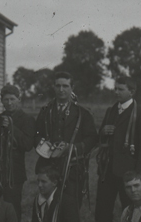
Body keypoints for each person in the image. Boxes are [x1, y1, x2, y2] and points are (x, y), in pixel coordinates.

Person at [93, 76, 141, 222]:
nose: (116, 92)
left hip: (129, 172)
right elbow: (100, 138)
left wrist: (140, 174)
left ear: (132, 91)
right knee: (102, 209)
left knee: (131, 209)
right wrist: (103, 131)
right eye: (115, 89)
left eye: (121, 89)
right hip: (107, 170)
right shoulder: (111, 111)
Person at [32, 72, 97, 201]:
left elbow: (92, 139)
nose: (61, 89)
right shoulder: (45, 111)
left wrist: (71, 148)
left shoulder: (82, 113)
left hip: (73, 168)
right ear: (54, 87)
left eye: (65, 86)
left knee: (71, 207)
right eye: (58, 86)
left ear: (72, 87)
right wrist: (45, 145)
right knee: (47, 205)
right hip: (48, 166)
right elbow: (36, 135)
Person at [0, 84, 36, 222]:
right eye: (6, 99)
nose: (9, 103)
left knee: (12, 207)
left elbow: (27, 144)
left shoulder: (27, 119)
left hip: (15, 173)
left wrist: (12, 128)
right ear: (1, 101)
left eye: (12, 99)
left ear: (19, 99)